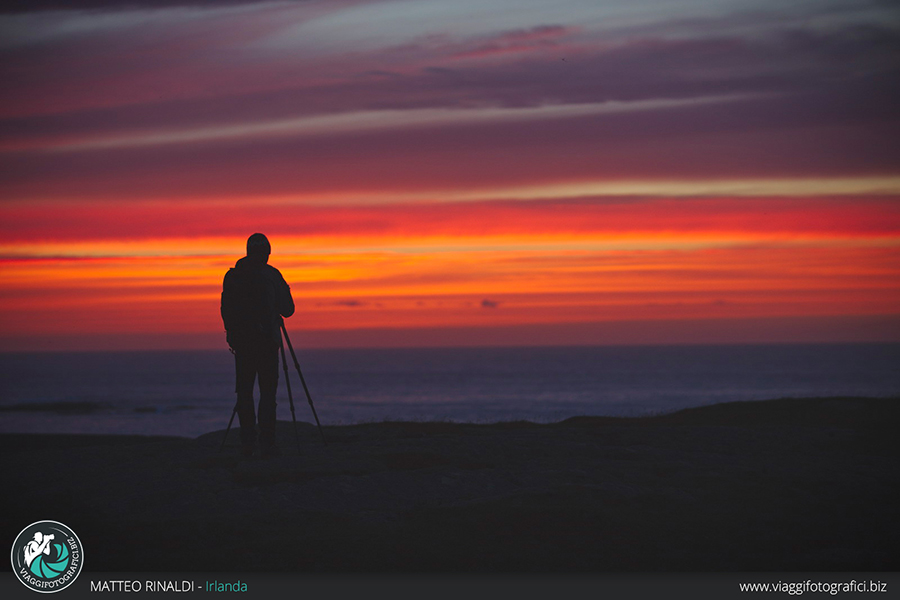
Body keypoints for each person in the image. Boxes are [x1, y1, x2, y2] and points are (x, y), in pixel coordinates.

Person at [221, 233, 295, 457]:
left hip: (242, 345)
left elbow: (225, 309)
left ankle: (247, 442)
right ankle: (267, 442)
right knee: (267, 393)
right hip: (267, 343)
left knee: (244, 393)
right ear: (268, 252)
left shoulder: (233, 276)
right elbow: (288, 310)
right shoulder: (271, 275)